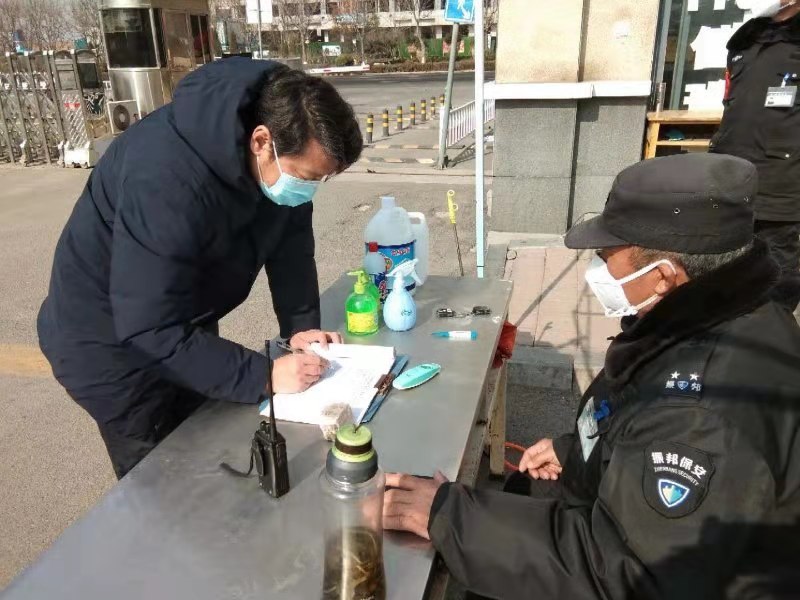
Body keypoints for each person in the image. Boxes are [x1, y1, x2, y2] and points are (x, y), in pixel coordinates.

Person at [383, 154, 800, 599]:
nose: (596, 270)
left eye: (605, 256)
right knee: (521, 492)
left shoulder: (699, 417)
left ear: (662, 276)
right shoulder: (729, 314)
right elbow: (635, 413)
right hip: (634, 527)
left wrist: (448, 517)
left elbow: (626, 576)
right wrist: (579, 451)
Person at [37, 59, 363, 479]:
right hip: (109, 346)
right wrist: (264, 374)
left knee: (207, 443)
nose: (309, 189)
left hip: (176, 321)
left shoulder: (278, 145)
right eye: (305, 177)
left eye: (320, 180)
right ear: (261, 141)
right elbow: (149, 327)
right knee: (163, 475)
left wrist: (300, 328)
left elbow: (291, 248)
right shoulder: (164, 176)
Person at [710, 0, 800, 311]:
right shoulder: (744, 42)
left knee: (775, 271)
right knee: (726, 264)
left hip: (779, 182)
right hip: (729, 174)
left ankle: (773, 331)